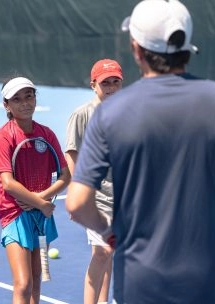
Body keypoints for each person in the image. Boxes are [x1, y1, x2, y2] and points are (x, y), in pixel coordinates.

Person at [65, 0, 215, 303]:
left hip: (143, 282)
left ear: (136, 49)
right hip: (213, 279)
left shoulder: (111, 114)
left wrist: (108, 231)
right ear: (187, 45)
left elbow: (76, 204)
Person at [0, 76, 70, 303]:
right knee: (23, 283)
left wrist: (40, 200)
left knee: (36, 281)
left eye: (29, 96)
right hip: (14, 215)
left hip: (39, 213)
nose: (25, 103)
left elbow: (66, 177)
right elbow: (8, 183)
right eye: (16, 99)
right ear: (6, 105)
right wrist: (41, 202)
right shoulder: (3, 136)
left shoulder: (47, 134)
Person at [65, 59, 123, 304]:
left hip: (122, 198)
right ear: (93, 85)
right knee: (102, 252)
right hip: (96, 198)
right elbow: (72, 154)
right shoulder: (82, 115)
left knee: (110, 253)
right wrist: (78, 194)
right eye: (105, 83)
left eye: (115, 82)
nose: (110, 87)